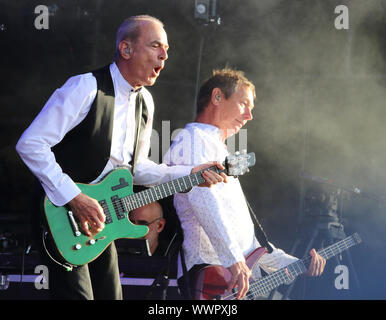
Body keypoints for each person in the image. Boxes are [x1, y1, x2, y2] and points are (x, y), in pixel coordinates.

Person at [15, 15, 226, 300]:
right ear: (126, 49)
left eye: (166, 49)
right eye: (155, 46)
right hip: (60, 215)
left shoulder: (145, 101)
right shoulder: (85, 87)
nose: (164, 55)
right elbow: (31, 144)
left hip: (103, 222)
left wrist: (190, 173)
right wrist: (75, 197)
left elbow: (136, 170)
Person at [163, 68, 326, 300]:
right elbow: (203, 201)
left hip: (231, 277)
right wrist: (234, 261)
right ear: (217, 97)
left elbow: (251, 245)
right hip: (213, 278)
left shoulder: (217, 148)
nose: (249, 115)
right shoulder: (193, 138)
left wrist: (300, 264)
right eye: (243, 104)